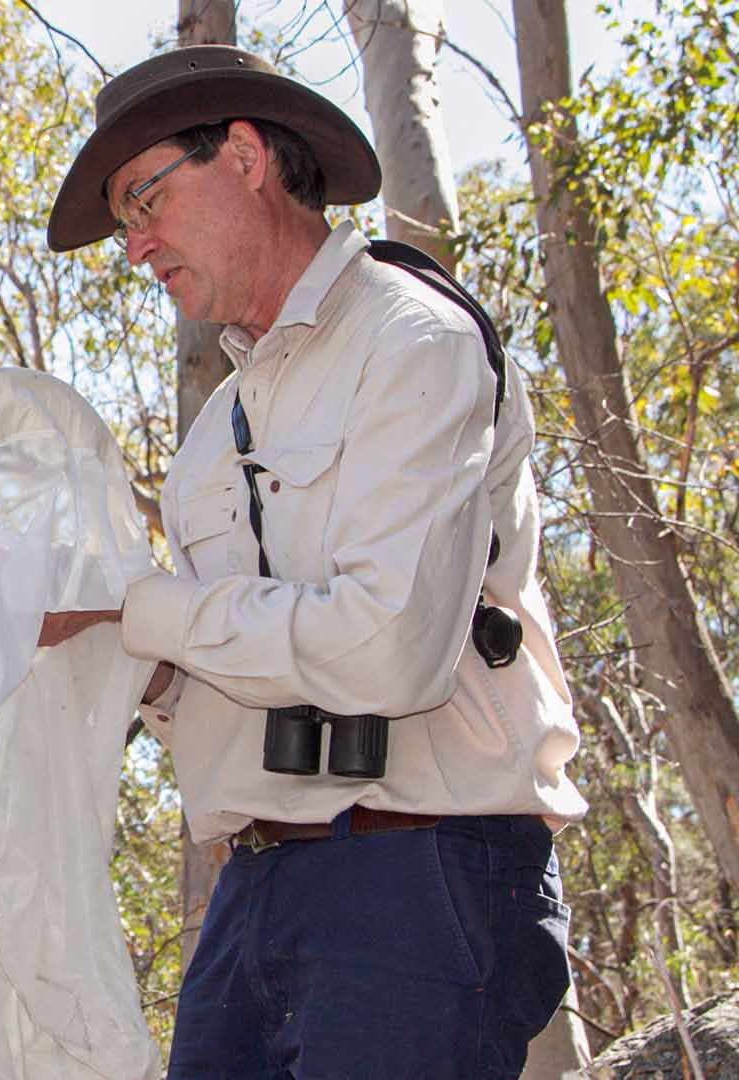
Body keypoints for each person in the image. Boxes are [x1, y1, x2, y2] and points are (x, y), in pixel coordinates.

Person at [40, 46, 588, 1078]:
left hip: (421, 876)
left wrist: (148, 608)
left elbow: (387, 653)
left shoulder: (412, 340)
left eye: (145, 200)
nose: (135, 246)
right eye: (122, 224)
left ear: (245, 157)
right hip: (252, 891)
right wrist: (126, 648)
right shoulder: (214, 436)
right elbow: (224, 663)